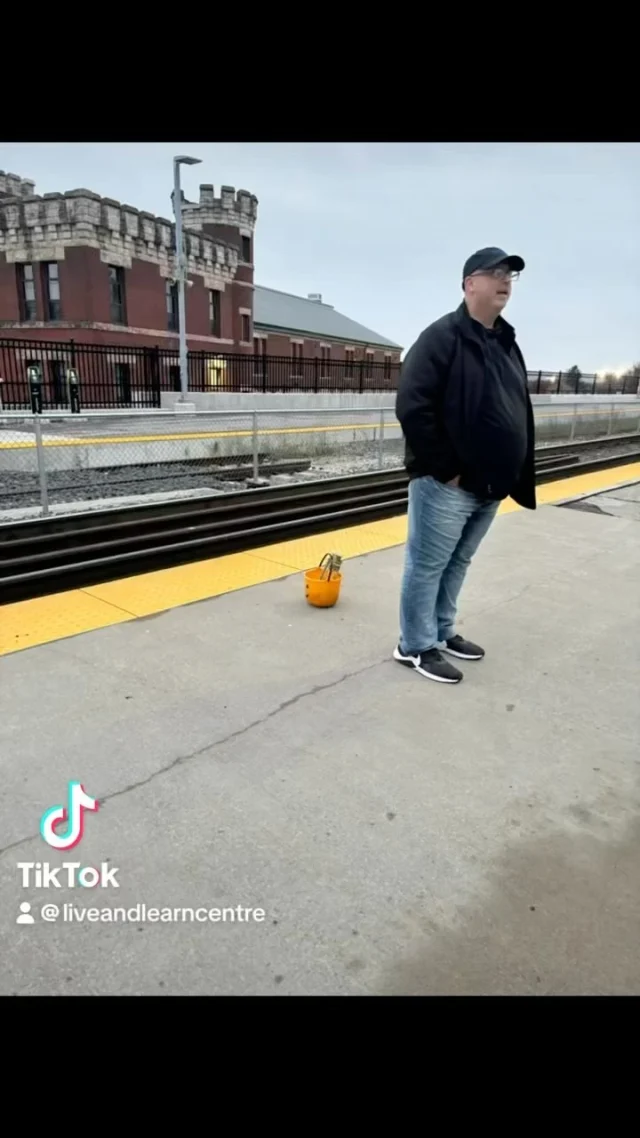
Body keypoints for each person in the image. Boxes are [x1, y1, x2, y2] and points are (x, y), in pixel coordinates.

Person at [393, 247, 536, 684]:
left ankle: (441, 631)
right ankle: (414, 646)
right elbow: (413, 407)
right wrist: (446, 469)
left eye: (510, 274)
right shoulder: (441, 337)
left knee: (458, 563)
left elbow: (516, 409)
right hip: (448, 484)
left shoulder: (506, 342)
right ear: (469, 283)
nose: (505, 280)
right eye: (495, 273)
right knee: (428, 563)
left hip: (490, 483)